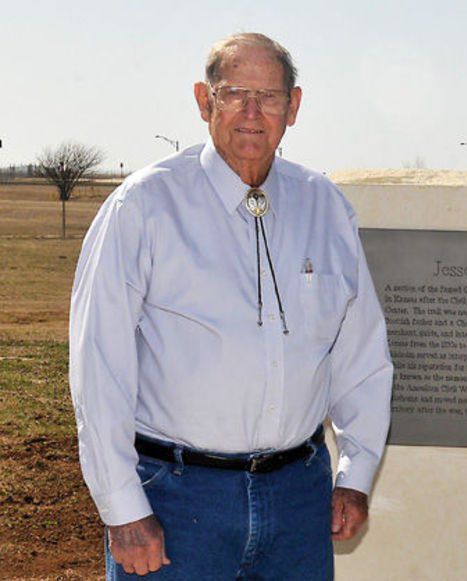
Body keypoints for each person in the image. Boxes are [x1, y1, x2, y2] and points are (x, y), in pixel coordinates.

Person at [69, 32, 393, 579]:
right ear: (204, 101)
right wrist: (123, 510)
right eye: (235, 93)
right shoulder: (145, 206)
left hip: (298, 501)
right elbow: (99, 366)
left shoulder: (326, 207)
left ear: (293, 107)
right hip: (176, 501)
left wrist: (356, 476)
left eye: (269, 97)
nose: (251, 112)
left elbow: (361, 355)